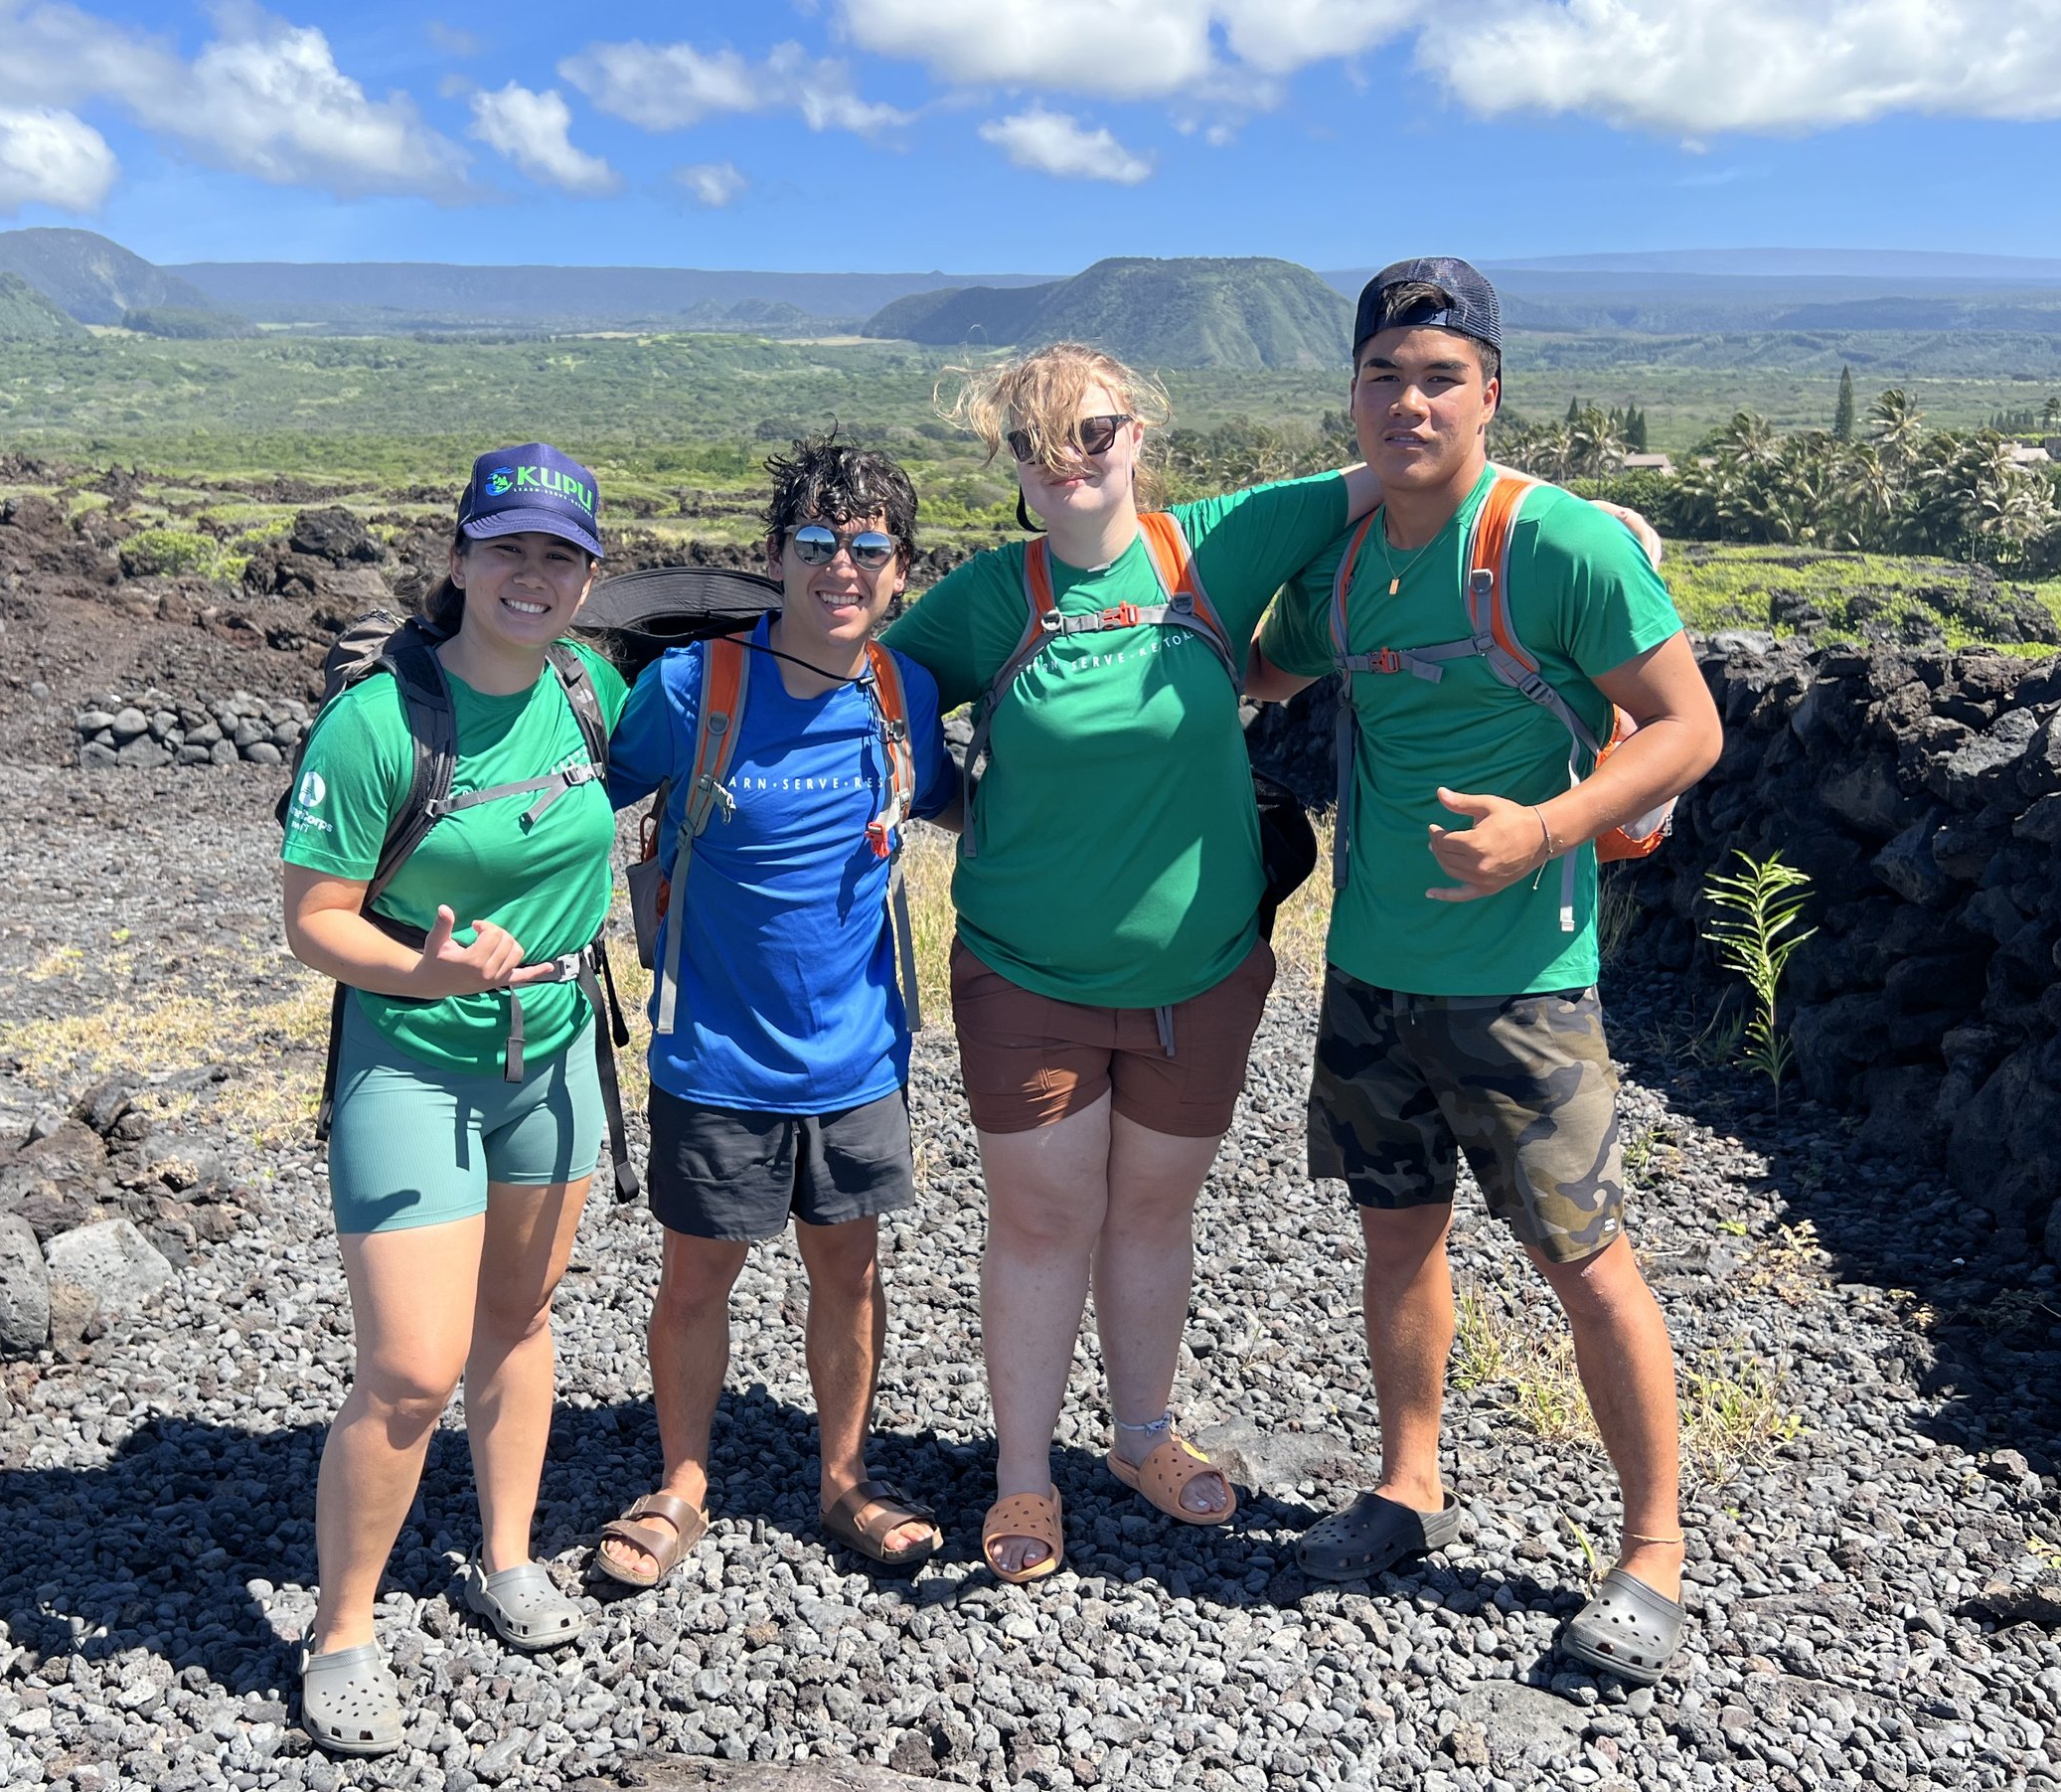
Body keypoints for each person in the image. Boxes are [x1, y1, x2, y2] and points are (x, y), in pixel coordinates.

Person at [1245, 258, 1723, 1684]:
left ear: (1489, 393)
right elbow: (1261, 672)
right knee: (1399, 1234)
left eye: (1440, 375)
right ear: (1352, 393)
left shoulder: (1560, 545)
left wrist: (1549, 826)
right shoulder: (1347, 563)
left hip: (1523, 982)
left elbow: (1684, 726)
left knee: (1585, 1258)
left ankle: (1653, 1556)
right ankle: (1407, 1484)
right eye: (1385, 373)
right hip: (1375, 969)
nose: (1409, 399)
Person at [879, 343, 1391, 1584]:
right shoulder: (996, 597)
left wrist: (1584, 524)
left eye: (1094, 432)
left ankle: (1143, 1436)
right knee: (1044, 1220)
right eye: (1035, 443)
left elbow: (1411, 470)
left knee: (1157, 1211)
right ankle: (1020, 1473)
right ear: (1010, 464)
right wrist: (923, 790)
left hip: (1201, 973)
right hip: (1025, 968)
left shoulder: (1217, 545)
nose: (1069, 461)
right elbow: (870, 678)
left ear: (1139, 437)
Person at [278, 443, 629, 1754]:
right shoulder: (380, 723)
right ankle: (343, 1624)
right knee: (414, 1365)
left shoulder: (593, 690)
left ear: (589, 577)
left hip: (553, 1054)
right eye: (508, 547)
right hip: (411, 1061)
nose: (531, 575)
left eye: (559, 553)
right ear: (459, 558)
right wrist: (420, 965)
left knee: (521, 1316)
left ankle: (504, 1551)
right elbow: (313, 920)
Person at [593, 435, 960, 1588]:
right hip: (712, 1056)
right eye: (815, 544)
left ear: (900, 569)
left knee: (847, 1272)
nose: (839, 569)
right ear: (776, 557)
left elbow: (965, 807)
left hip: (858, 1059)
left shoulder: (904, 694)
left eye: (867, 548)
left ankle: (844, 1478)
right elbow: (570, 795)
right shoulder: (694, 687)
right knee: (698, 1275)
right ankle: (683, 1479)